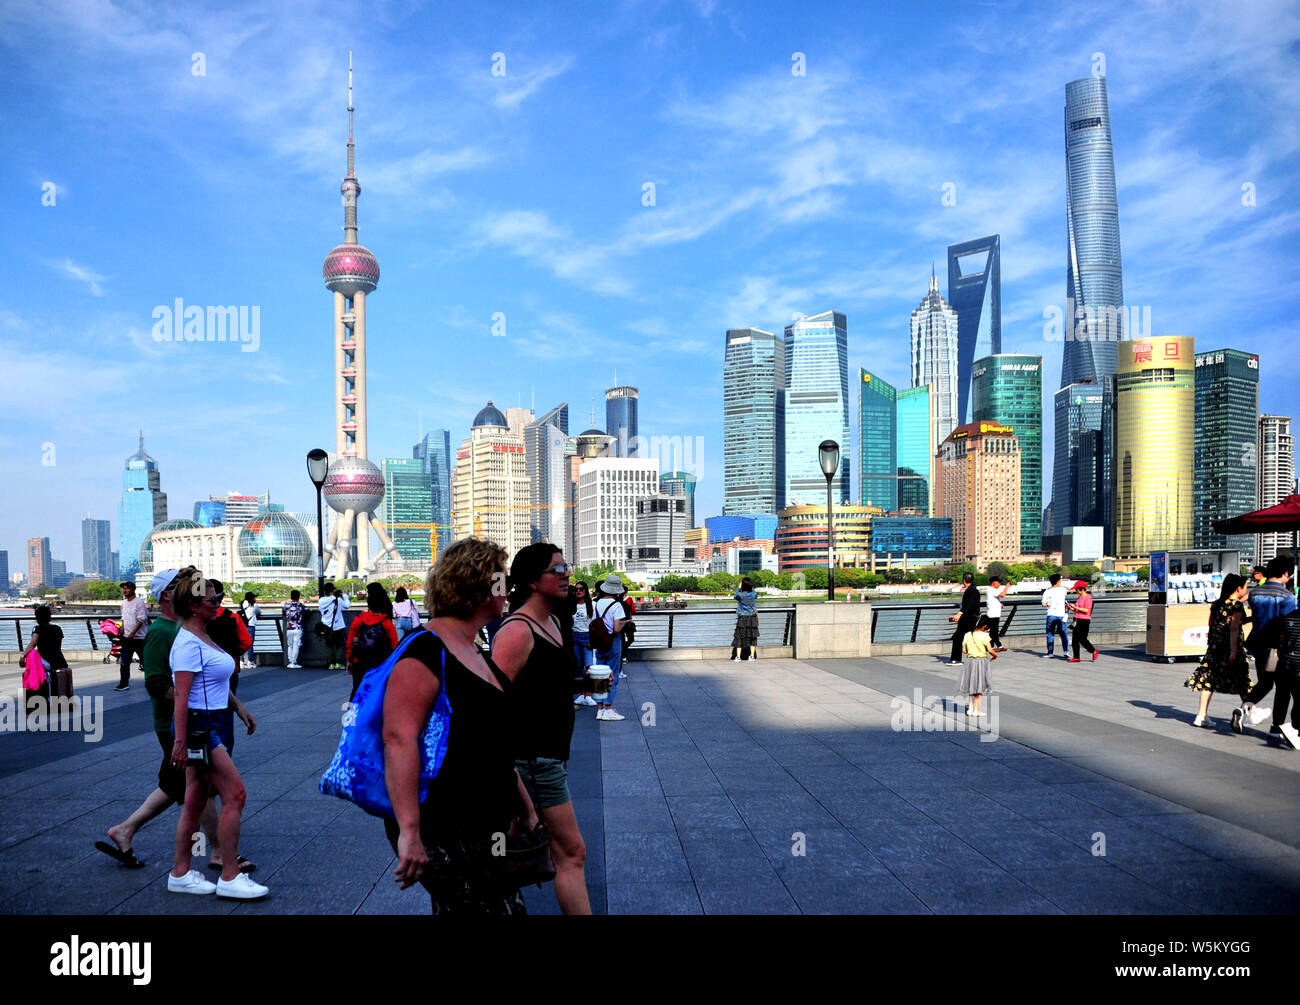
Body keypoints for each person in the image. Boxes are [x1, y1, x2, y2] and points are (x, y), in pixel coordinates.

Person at [384, 538, 538, 915]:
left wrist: (527, 808)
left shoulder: (474, 649)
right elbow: (398, 738)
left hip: (491, 823)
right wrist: (409, 832)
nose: (508, 591)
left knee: (499, 904)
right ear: (478, 585)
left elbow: (492, 744)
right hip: (444, 826)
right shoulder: (424, 649)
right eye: (502, 581)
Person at [97, 568, 238, 873]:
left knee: (183, 786)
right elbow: (156, 684)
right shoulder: (161, 633)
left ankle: (127, 830)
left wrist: (236, 706)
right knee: (205, 787)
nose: (189, 588)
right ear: (166, 595)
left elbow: (206, 679)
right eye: (180, 585)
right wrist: (189, 712)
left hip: (196, 722)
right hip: (179, 725)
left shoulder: (187, 628)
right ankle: (216, 854)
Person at [492, 544, 591, 915]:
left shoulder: (553, 622)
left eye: (566, 567)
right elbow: (493, 704)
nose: (566, 574)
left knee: (507, 843)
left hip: (549, 754)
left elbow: (541, 685)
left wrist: (581, 684)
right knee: (571, 852)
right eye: (557, 569)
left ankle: (483, 896)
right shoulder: (517, 631)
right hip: (533, 759)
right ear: (532, 581)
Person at [166, 568, 267, 899]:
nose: (218, 603)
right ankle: (229, 875)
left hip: (208, 722)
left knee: (195, 799)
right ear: (195, 605)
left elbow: (213, 683)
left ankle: (180, 873)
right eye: (213, 599)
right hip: (199, 728)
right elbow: (181, 696)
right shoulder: (187, 644)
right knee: (235, 794)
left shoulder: (202, 636)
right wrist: (180, 743)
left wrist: (239, 707)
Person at [1184, 574, 1254, 729]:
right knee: (1242, 681)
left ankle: (1201, 716)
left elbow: (1211, 624)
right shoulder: (1235, 605)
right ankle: (1250, 713)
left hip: (1215, 647)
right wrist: (1233, 652)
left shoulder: (1216, 604)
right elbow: (1235, 627)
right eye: (1245, 587)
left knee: (1209, 681)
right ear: (1238, 588)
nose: (1246, 590)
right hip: (1231, 648)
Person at [1234, 556, 1295, 734]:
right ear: (1285, 573)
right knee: (1283, 688)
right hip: (1278, 648)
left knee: (1265, 683)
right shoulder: (1287, 597)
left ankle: (1243, 708)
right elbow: (1289, 625)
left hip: (1258, 643)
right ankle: (1277, 727)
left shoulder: (1255, 593)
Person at [346, 583, 399, 701]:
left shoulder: (358, 620)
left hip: (359, 661)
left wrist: (350, 659)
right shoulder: (386, 622)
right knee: (379, 691)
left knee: (357, 688)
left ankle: (352, 716)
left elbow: (350, 642)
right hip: (381, 662)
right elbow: (395, 644)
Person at [592, 574, 630, 721]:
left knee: (599, 674)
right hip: (613, 641)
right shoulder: (617, 605)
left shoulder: (596, 603)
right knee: (612, 674)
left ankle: (600, 709)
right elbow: (616, 629)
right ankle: (608, 709)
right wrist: (624, 623)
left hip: (599, 642)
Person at [19, 605, 68, 715]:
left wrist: (23, 656)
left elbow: (33, 643)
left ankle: (32, 704)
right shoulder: (57, 628)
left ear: (37, 618)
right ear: (49, 616)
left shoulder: (37, 629)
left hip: (47, 662)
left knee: (29, 670)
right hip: (60, 661)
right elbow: (57, 647)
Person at [1269, 604, 1300, 749]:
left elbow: (1281, 639)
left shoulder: (1287, 618)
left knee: (1282, 695)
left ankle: (1277, 727)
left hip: (1286, 662)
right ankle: (1295, 731)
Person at [959, 615, 997, 717]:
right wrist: (995, 655)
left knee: (972, 685)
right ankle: (977, 710)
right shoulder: (985, 636)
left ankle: (970, 709)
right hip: (981, 661)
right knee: (979, 686)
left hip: (970, 661)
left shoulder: (967, 635)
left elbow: (964, 651)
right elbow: (990, 650)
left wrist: (971, 650)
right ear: (985, 626)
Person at [117, 581, 148, 691]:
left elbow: (141, 620)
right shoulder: (124, 603)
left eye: (127, 588)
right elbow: (123, 618)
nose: (125, 590)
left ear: (133, 590)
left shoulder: (139, 602)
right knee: (124, 661)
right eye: (124, 589)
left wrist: (132, 633)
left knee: (145, 661)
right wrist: (122, 630)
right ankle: (123, 683)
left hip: (139, 638)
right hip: (127, 638)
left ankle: (151, 682)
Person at [570, 582, 596, 707]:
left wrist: (592, 640)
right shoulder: (572, 605)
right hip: (575, 637)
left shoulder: (592, 605)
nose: (579, 591)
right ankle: (581, 694)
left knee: (588, 667)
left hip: (587, 637)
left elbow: (594, 624)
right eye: (577, 589)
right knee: (578, 666)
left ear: (586, 591)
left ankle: (588, 695)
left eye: (581, 589)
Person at [948, 572, 979, 666]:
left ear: (964, 580)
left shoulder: (971, 591)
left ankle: (956, 659)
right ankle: (976, 657)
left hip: (967, 618)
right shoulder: (973, 590)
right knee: (970, 638)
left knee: (958, 637)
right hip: (970, 618)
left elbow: (969, 606)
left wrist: (959, 614)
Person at [319, 583, 350, 671]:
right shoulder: (338, 600)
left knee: (329, 645)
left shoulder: (321, 600)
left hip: (326, 627)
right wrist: (343, 595)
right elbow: (347, 605)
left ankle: (331, 663)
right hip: (337, 626)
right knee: (340, 644)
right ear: (333, 590)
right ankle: (338, 663)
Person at [1067, 579, 1098, 662]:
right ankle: (1076, 657)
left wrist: (1076, 607)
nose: (1076, 591)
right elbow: (1077, 610)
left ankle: (1093, 651)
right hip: (1077, 619)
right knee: (1075, 640)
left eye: (1076, 589)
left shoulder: (1088, 598)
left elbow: (1086, 610)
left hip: (1084, 620)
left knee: (1082, 639)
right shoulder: (1079, 598)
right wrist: (1072, 608)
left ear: (1080, 588)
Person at [1041, 573, 1070, 659]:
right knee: (1064, 633)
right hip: (1061, 614)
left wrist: (1049, 604)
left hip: (1051, 614)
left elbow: (1043, 604)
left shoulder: (1047, 591)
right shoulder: (1063, 590)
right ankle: (1066, 651)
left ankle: (1050, 653)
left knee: (1050, 634)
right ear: (1058, 581)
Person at [731, 577, 759, 661]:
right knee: (752, 636)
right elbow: (756, 595)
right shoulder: (753, 593)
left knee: (739, 637)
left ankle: (738, 657)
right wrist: (751, 588)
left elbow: (735, 596)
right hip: (752, 617)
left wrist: (738, 588)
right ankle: (752, 656)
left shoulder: (740, 594)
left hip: (742, 617)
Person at [283, 589, 306, 668]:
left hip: (289, 628)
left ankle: (290, 662)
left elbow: (283, 612)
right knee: (296, 645)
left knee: (290, 645)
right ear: (298, 596)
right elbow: (307, 610)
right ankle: (294, 662)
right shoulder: (300, 605)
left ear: (291, 596)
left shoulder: (286, 605)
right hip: (298, 628)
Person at [985, 576, 1009, 652]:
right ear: (994, 583)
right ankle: (999, 646)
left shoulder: (992, 590)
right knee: (994, 631)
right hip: (993, 614)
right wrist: (1007, 587)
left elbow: (994, 599)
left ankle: (992, 646)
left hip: (994, 614)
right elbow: (1003, 595)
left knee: (993, 631)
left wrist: (999, 604)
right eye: (999, 582)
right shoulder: (991, 590)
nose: (1000, 584)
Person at [239, 592, 261, 669]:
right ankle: (250, 662)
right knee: (250, 644)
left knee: (241, 643)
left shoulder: (242, 603)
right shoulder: (254, 606)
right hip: (251, 625)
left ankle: (241, 662)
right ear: (252, 598)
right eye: (255, 597)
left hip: (242, 625)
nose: (255, 599)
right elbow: (259, 612)